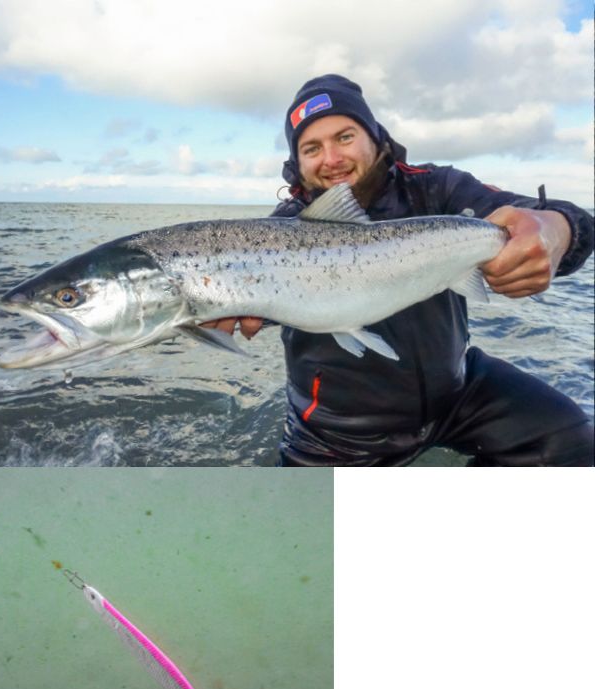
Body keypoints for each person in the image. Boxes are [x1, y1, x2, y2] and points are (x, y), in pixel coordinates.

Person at [204, 75, 594, 466]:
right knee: (308, 524)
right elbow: (265, 309)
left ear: (374, 137)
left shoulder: (437, 190)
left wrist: (555, 231)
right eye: (311, 148)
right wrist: (229, 309)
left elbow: (552, 216)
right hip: (340, 428)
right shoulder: (273, 234)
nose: (331, 159)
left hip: (458, 392)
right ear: (297, 163)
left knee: (570, 441)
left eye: (344, 137)